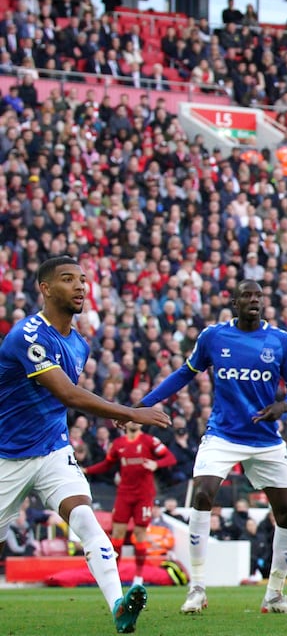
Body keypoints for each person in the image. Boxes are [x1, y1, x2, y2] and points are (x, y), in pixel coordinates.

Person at [0, 256, 169, 633]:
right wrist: (130, 411)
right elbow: (69, 394)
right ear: (45, 288)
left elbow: (69, 397)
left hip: (53, 451)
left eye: (82, 279)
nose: (80, 286)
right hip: (6, 456)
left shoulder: (78, 344)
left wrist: (114, 412)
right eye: (67, 279)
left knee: (85, 520)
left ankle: (119, 607)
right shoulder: (28, 335)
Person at [140, 281, 287, 615]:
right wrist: (143, 404)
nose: (254, 301)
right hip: (223, 435)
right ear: (234, 303)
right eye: (247, 296)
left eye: (259, 296)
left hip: (265, 438)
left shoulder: (280, 340)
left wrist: (284, 406)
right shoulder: (213, 337)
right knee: (203, 493)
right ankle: (197, 588)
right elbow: (183, 375)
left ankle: (274, 595)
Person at [82, 422, 177, 584]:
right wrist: (87, 470)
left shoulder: (149, 441)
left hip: (144, 495)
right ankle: (114, 576)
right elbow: (107, 464)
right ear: (124, 424)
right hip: (124, 493)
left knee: (140, 534)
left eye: (136, 419)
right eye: (130, 419)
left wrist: (156, 464)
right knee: (117, 533)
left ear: (140, 422)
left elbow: (170, 458)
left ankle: (138, 577)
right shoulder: (118, 444)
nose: (133, 422)